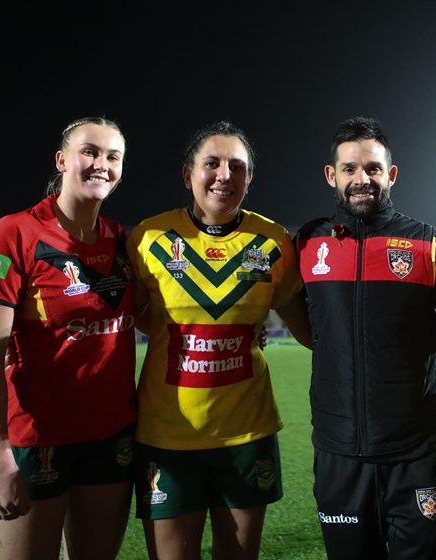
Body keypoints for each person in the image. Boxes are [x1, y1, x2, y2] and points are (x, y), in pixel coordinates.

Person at [126, 120, 310, 560]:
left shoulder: (274, 242)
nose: (225, 175)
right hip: (167, 436)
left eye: (237, 166)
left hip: (246, 435)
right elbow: (138, 319)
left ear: (250, 178)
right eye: (212, 164)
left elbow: (307, 327)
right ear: (187, 174)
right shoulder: (148, 238)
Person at [0, 117, 136, 560]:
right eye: (89, 152)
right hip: (35, 441)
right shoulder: (12, 234)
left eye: (113, 157)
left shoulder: (123, 240)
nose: (101, 164)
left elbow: (158, 319)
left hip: (112, 438)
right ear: (62, 160)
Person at [295, 116, 436, 559]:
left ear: (391, 174)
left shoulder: (426, 242)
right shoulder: (307, 243)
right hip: (339, 450)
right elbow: (295, 314)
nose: (361, 179)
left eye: (373, 168)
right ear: (332, 175)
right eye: (349, 169)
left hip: (415, 451)